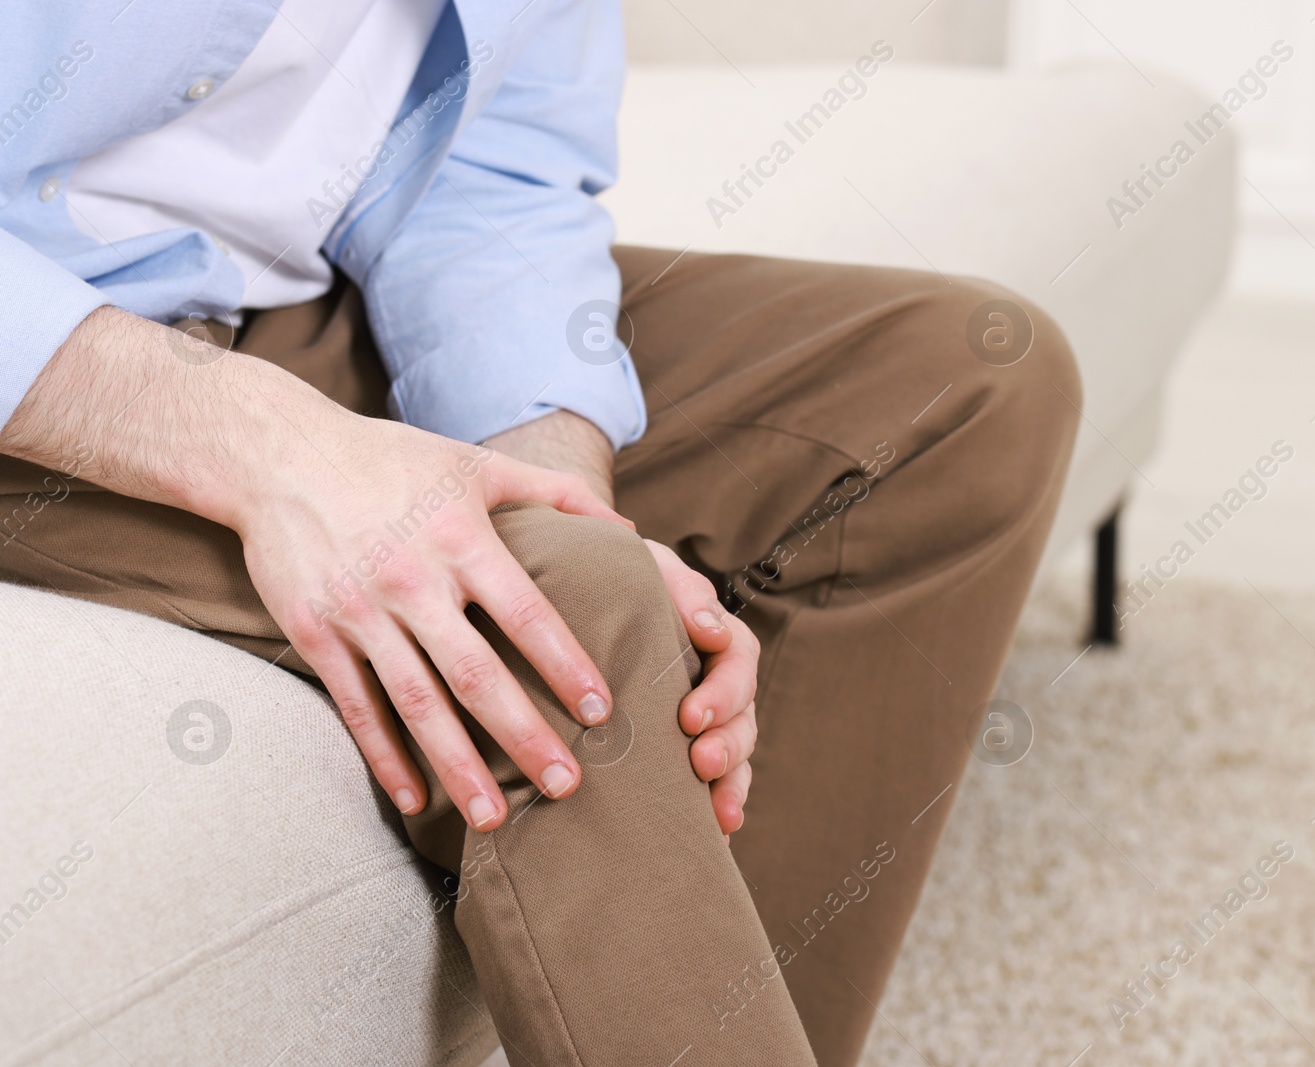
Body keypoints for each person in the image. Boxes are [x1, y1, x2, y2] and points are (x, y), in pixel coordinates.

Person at [0, 2, 1079, 1064]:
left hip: (272, 308)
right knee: (559, 615)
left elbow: (489, 183)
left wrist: (558, 496)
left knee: (961, 386)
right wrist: (270, 448)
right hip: (42, 386)